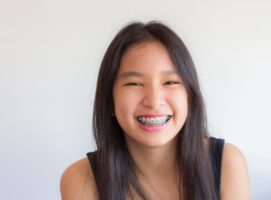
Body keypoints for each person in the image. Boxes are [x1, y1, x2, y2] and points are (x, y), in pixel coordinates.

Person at [60, 21, 250, 200]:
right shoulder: (81, 178)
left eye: (170, 82)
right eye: (134, 83)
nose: (153, 101)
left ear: (189, 96)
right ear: (109, 100)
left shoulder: (227, 163)